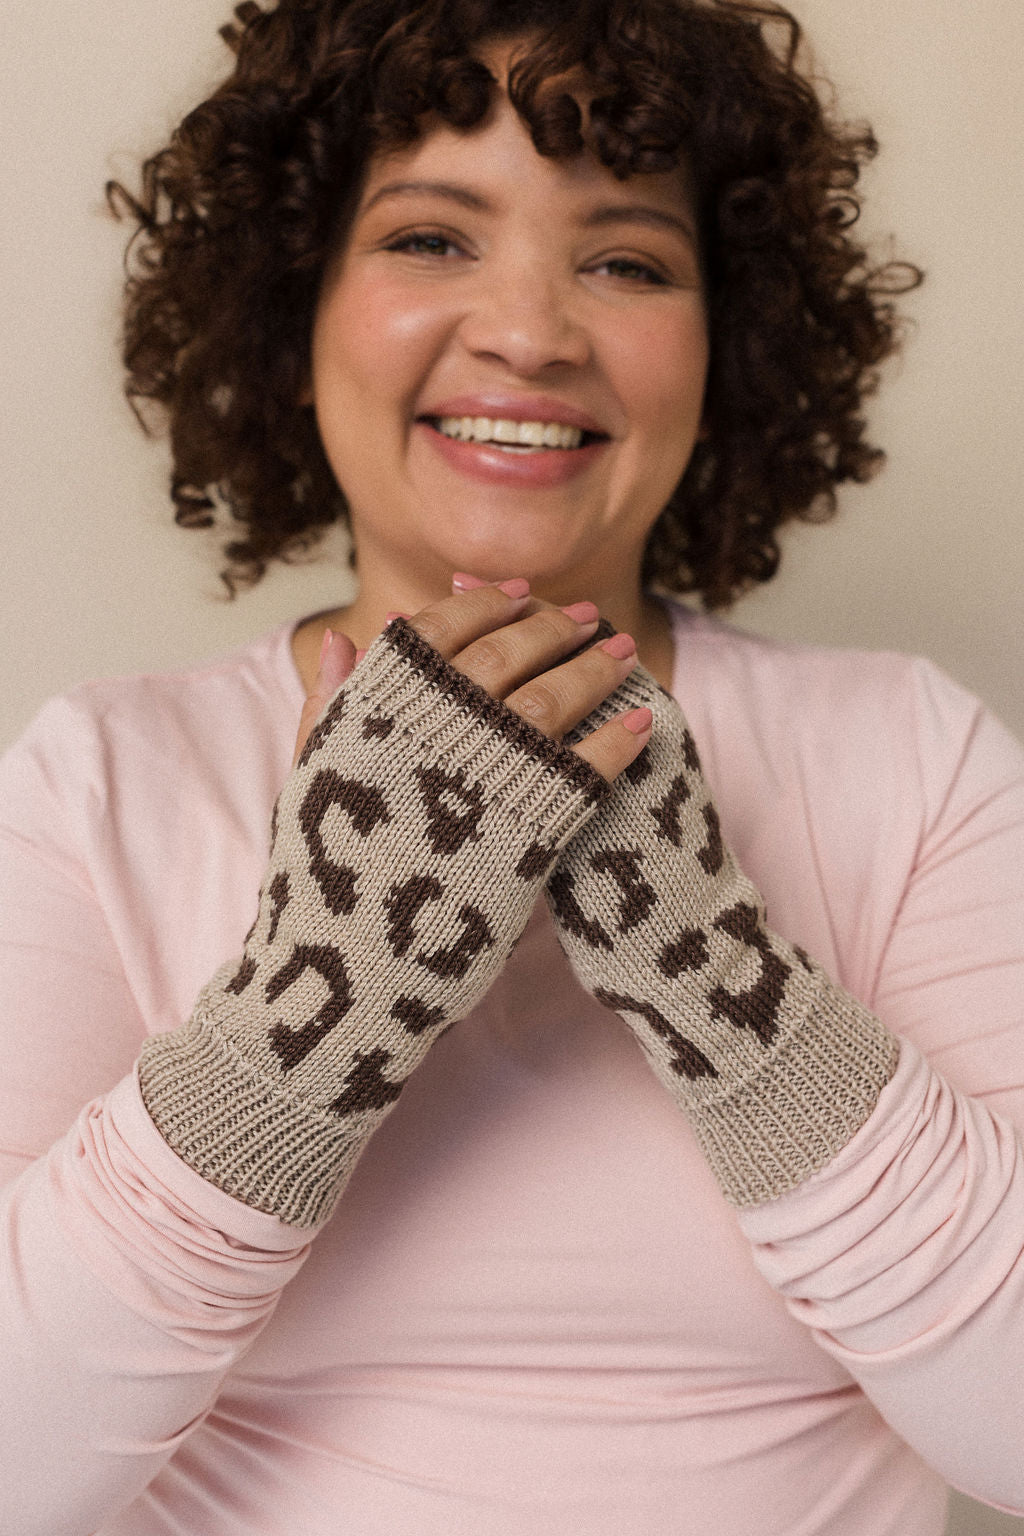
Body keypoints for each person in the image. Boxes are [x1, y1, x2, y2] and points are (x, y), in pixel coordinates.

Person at [1, 0, 1023, 1532]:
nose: (535, 331)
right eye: (428, 238)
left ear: (720, 347)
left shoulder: (911, 757)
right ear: (293, 318)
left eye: (625, 260)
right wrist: (309, 1007)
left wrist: (720, 983)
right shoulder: (102, 781)